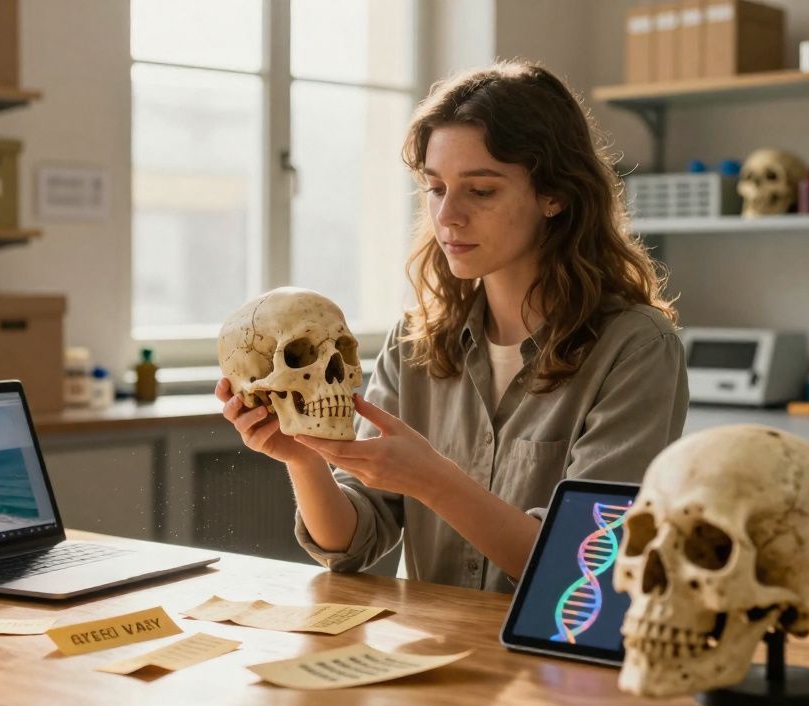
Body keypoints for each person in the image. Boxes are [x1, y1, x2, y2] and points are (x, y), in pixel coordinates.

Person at [214, 60, 687, 592]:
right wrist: (304, 459)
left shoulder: (637, 348)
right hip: (437, 659)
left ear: (555, 195)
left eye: (481, 191)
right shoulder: (414, 343)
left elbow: (582, 567)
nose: (448, 217)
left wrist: (432, 480)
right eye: (436, 188)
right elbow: (352, 543)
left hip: (557, 665)